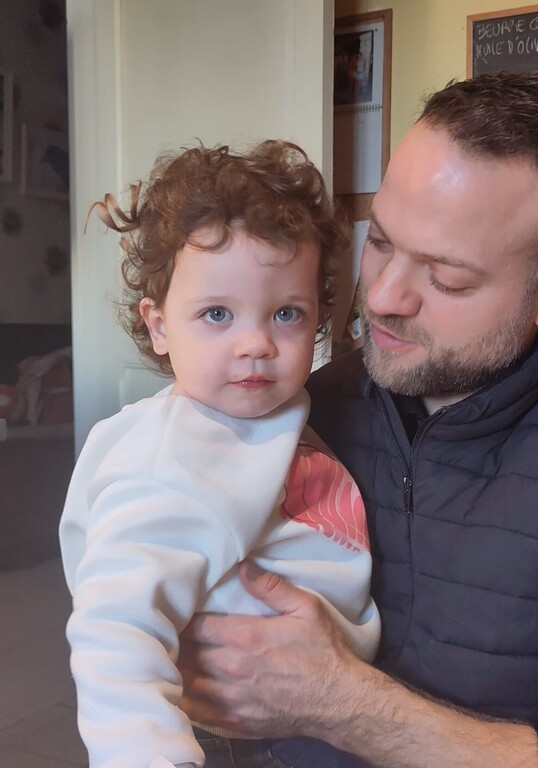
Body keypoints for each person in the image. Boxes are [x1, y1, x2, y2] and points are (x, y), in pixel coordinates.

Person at [176, 73, 538, 768]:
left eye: (447, 278)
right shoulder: (305, 403)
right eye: (381, 242)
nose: (383, 298)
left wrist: (341, 702)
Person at [59, 140, 380, 768]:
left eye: (286, 313)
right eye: (216, 314)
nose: (256, 342)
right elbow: (115, 626)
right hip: (239, 739)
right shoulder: (172, 456)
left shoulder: (269, 418)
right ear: (158, 325)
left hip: (323, 712)